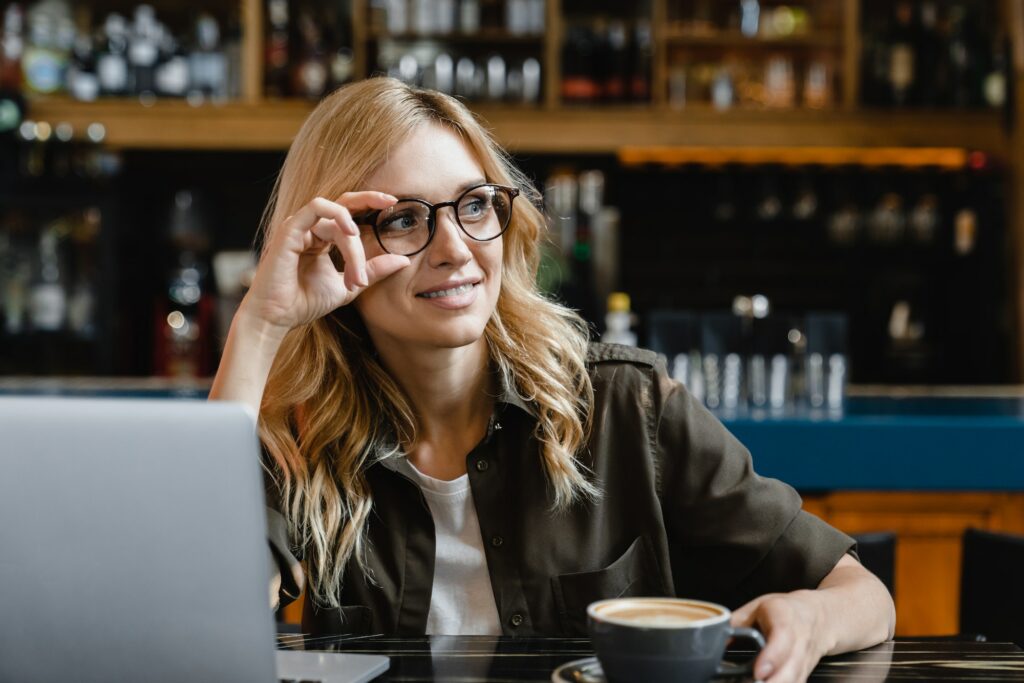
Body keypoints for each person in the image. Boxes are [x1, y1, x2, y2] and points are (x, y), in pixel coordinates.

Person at [209, 77, 895, 682]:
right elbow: (198, 616)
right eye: (404, 220)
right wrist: (263, 322)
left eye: (474, 205)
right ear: (336, 246)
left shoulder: (627, 407)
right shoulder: (304, 438)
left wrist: (811, 617)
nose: (455, 249)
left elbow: (864, 596)